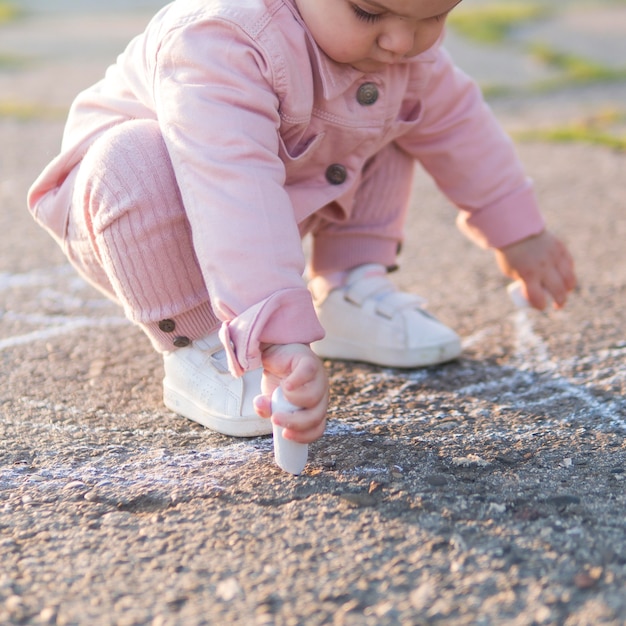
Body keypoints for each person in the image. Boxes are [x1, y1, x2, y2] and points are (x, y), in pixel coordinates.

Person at [27, 0, 576, 446]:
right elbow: (231, 186)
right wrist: (277, 336)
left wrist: (519, 231)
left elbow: (459, 126)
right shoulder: (220, 38)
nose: (401, 41)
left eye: (434, 17)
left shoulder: (394, 48)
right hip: (136, 231)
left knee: (392, 102)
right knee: (131, 156)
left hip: (277, 200)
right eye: (368, 12)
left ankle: (349, 285)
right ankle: (202, 347)